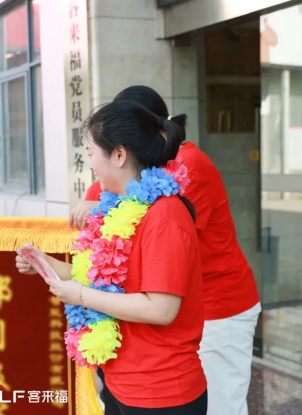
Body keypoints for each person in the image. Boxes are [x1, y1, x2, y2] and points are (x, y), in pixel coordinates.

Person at [72, 85, 261, 415]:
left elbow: (140, 231)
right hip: (179, 309)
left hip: (219, 304)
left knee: (224, 406)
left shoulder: (181, 174)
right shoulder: (143, 175)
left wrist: (102, 206)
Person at [18, 101, 207, 414]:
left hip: (160, 391)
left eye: (91, 153)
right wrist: (45, 263)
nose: (90, 164)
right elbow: (97, 278)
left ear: (119, 155)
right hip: (123, 382)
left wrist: (81, 296)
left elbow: (161, 309)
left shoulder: (165, 215)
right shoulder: (119, 208)